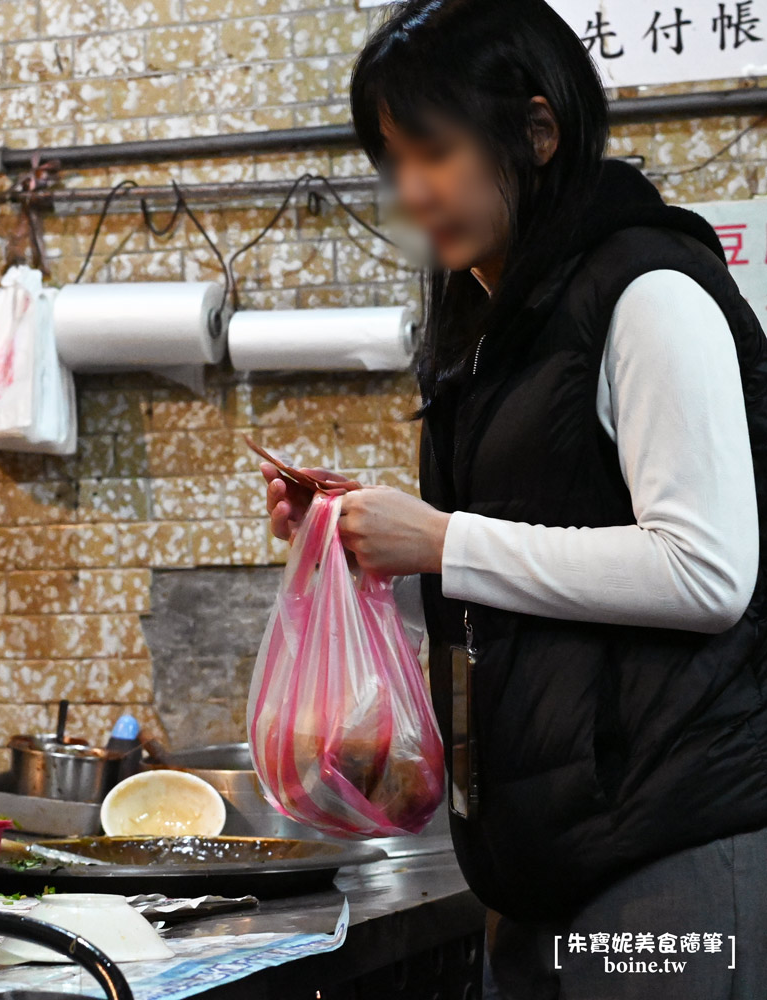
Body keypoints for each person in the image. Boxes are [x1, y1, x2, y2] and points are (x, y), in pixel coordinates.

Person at [261, 2, 767, 997]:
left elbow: (706, 571)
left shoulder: (649, 290)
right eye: (393, 161)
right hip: (538, 857)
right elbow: (525, 581)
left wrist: (443, 538)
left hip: (671, 848)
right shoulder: (496, 330)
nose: (411, 192)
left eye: (436, 153)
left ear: (538, 132)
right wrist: (364, 541)